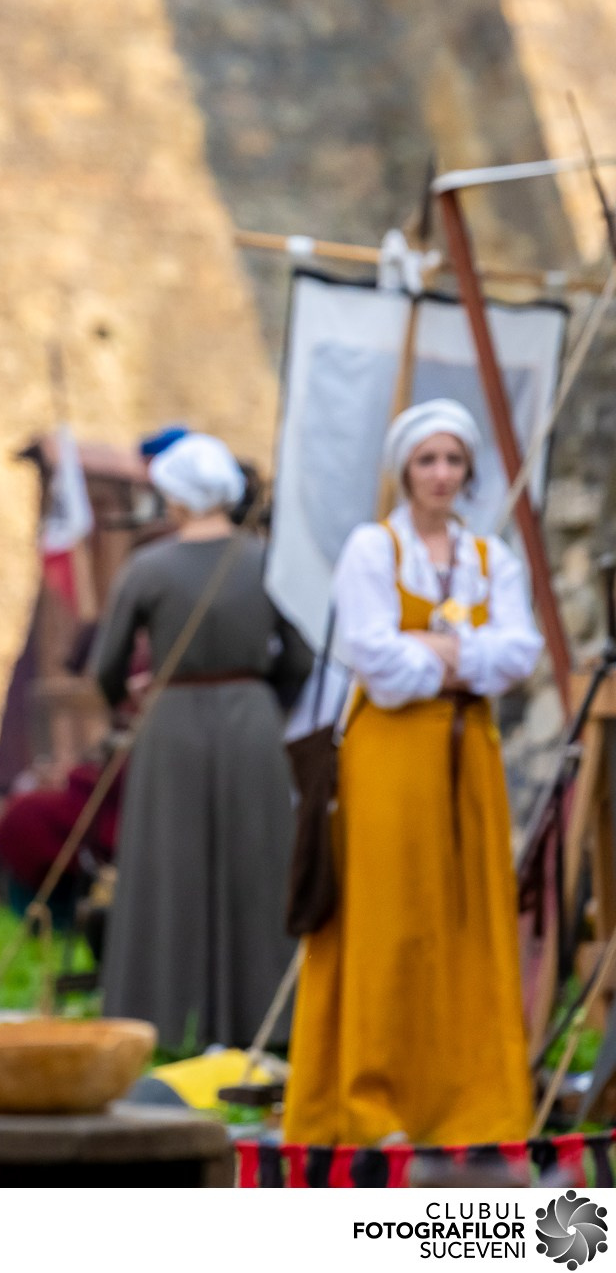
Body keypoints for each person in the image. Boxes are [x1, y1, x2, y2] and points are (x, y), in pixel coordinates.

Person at [285, 400, 540, 1146]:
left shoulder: (491, 559)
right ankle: (373, 1104)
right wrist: (463, 655)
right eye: (427, 460)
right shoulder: (374, 549)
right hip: (389, 759)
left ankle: (473, 1105)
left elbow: (518, 654)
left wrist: (435, 649)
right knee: (388, 920)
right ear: (404, 470)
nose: (440, 474)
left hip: (469, 758)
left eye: (453, 460)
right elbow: (378, 663)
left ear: (468, 471)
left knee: (469, 919)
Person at [88, 432, 311, 1049]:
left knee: (166, 872)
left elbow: (106, 667)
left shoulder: (148, 567)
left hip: (173, 728)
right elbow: (301, 657)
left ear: (177, 498)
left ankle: (155, 1019)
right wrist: (263, 699)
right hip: (253, 726)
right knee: (256, 871)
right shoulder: (267, 560)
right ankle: (266, 1023)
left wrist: (133, 701)